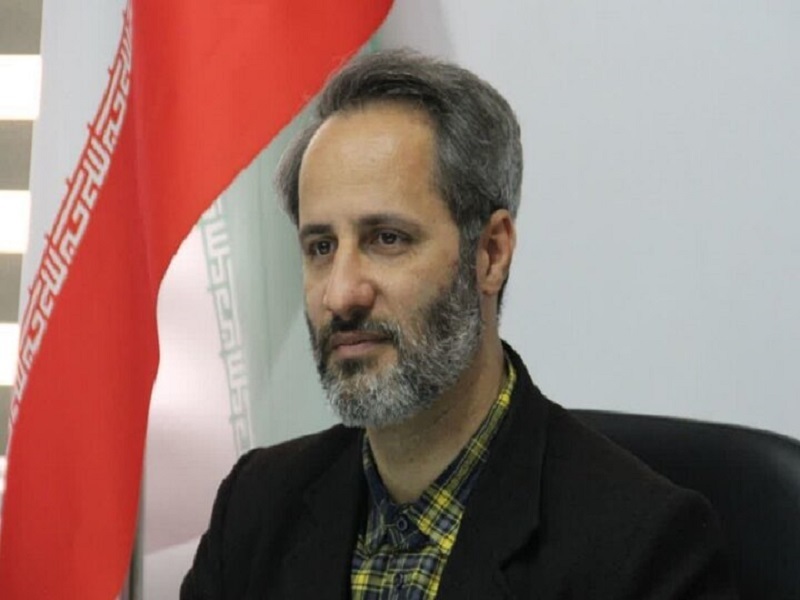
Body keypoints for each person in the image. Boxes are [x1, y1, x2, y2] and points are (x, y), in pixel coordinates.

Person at [182, 50, 736, 599]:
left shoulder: (643, 550)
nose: (341, 294)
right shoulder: (255, 507)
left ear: (491, 253)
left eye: (387, 239)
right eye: (321, 247)